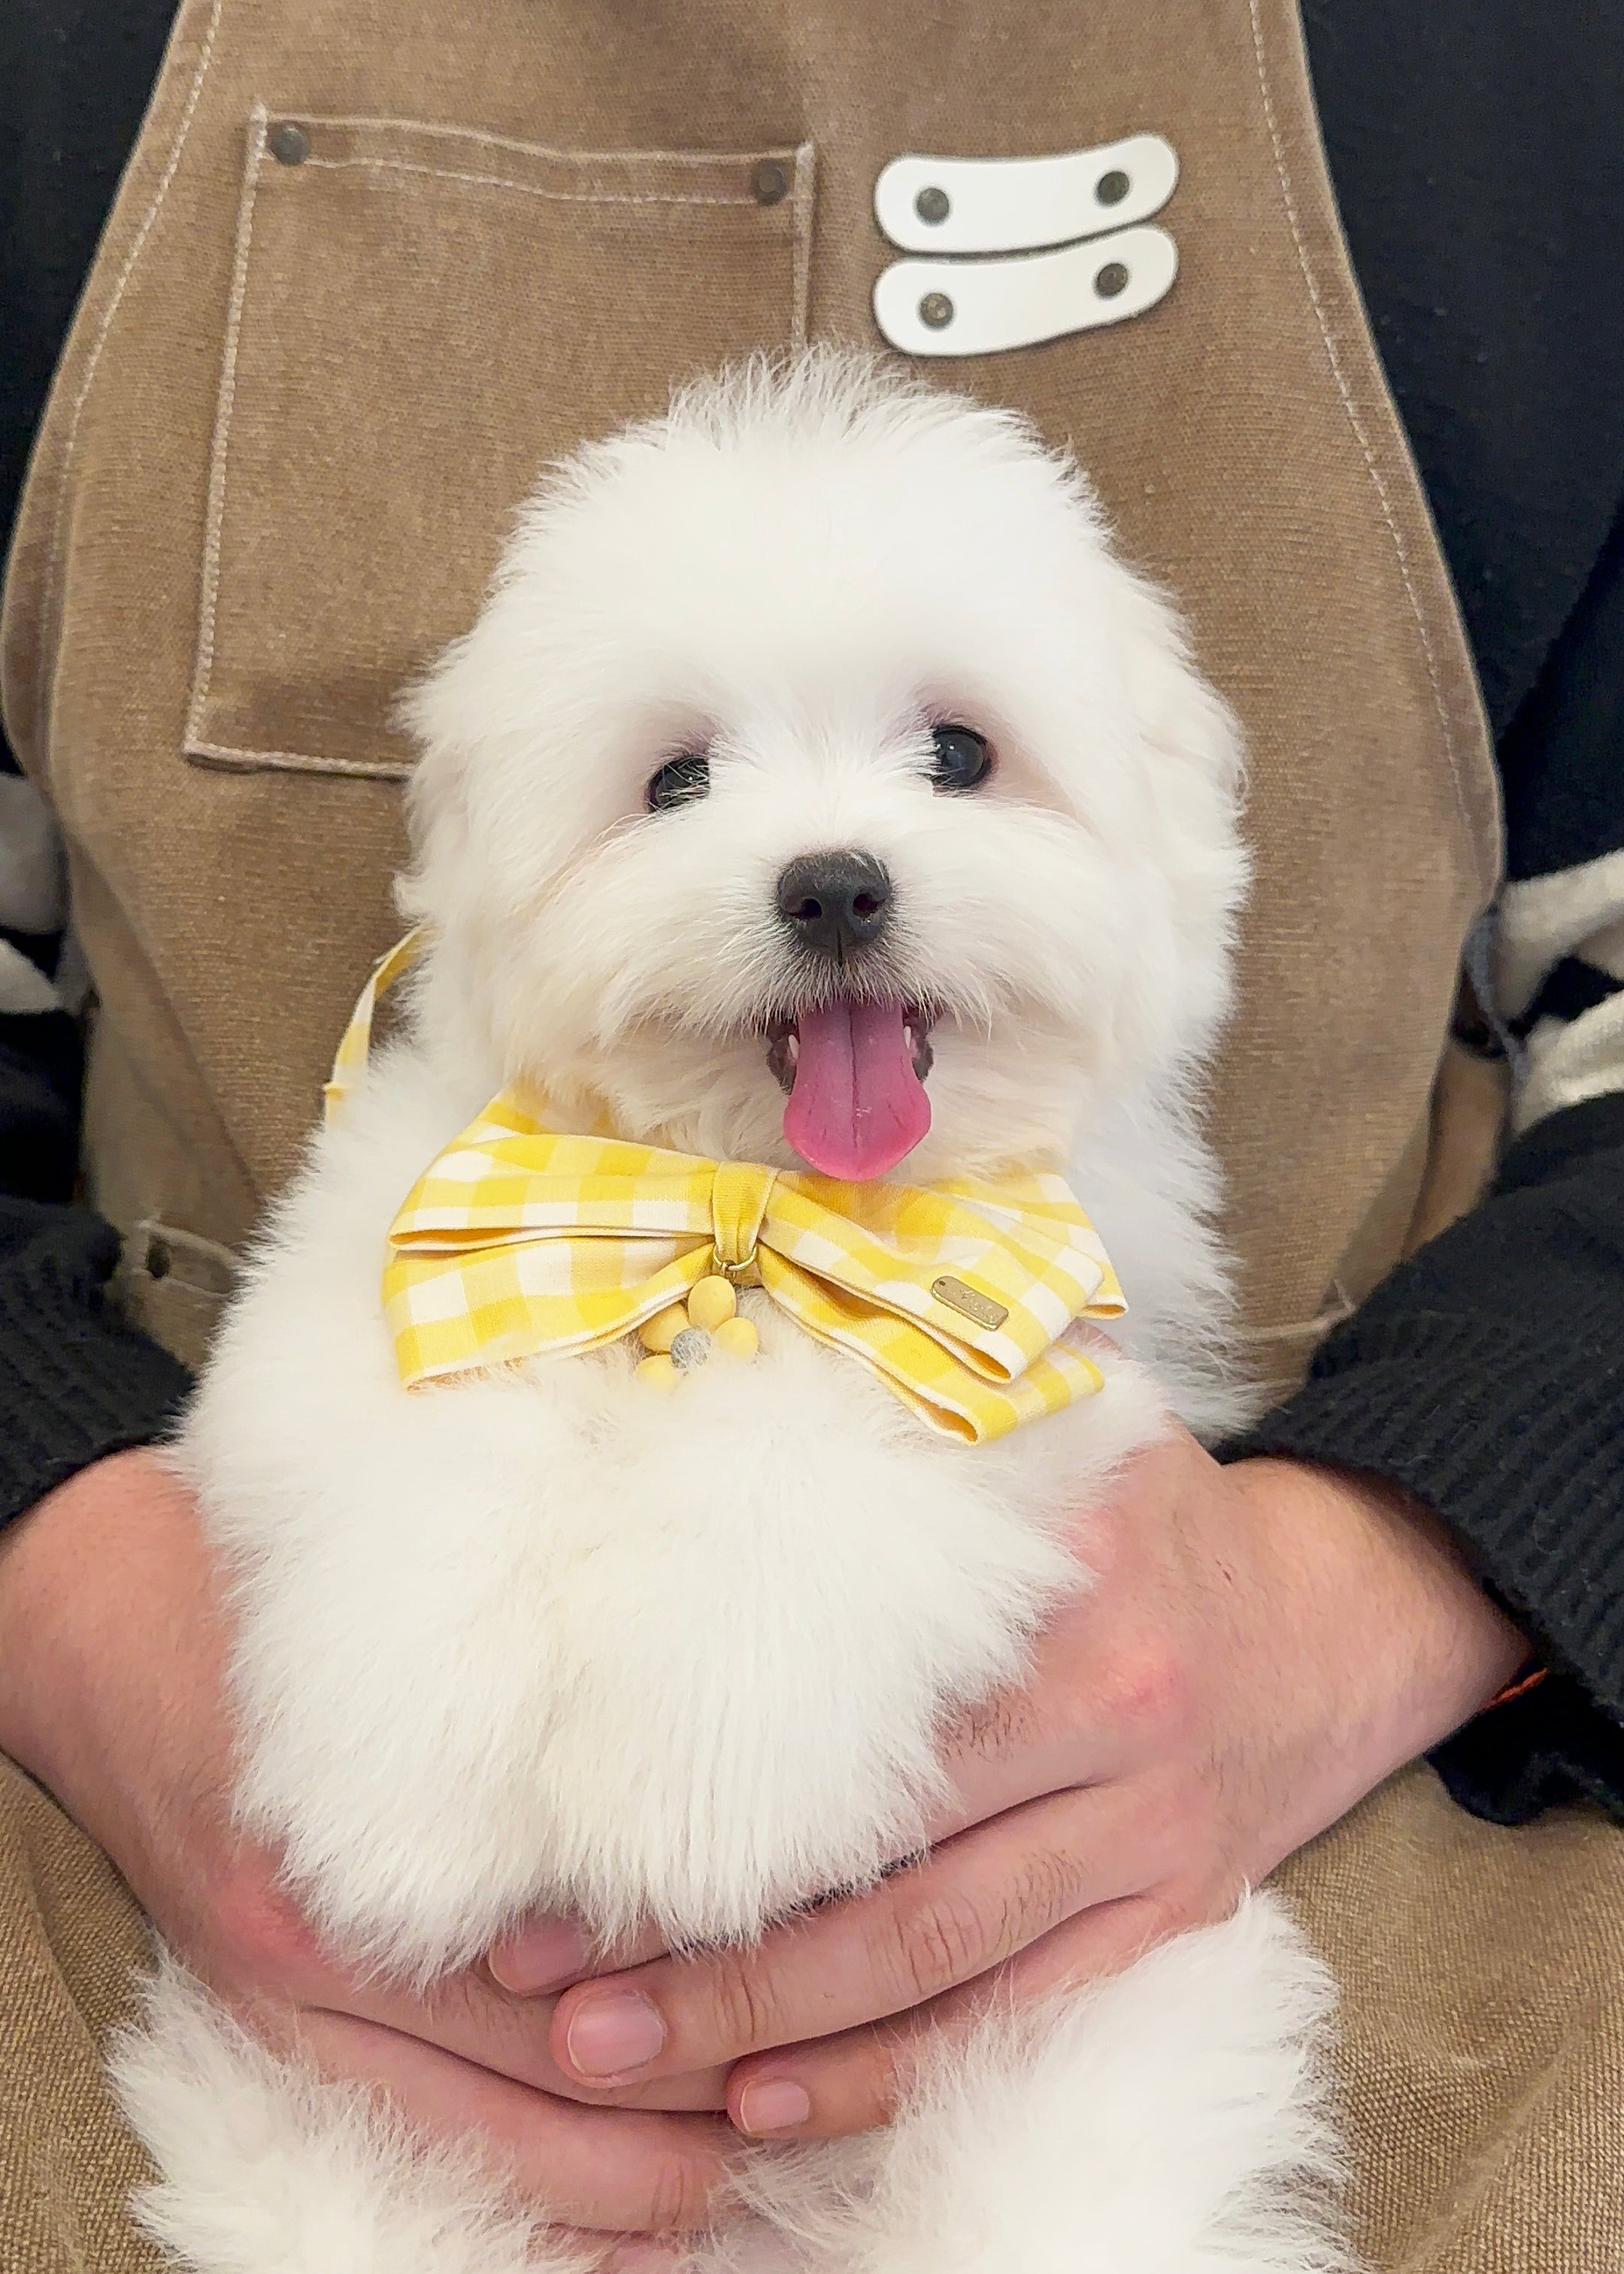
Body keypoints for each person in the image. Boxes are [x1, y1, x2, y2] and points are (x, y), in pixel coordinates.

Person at [0, 1, 1620, 2267]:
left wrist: (1387, 1583)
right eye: (676, 782)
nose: (835, 865)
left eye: (956, 755)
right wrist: (60, 1566)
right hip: (127, 1712)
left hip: (1349, 1710)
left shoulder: (1529, 78)